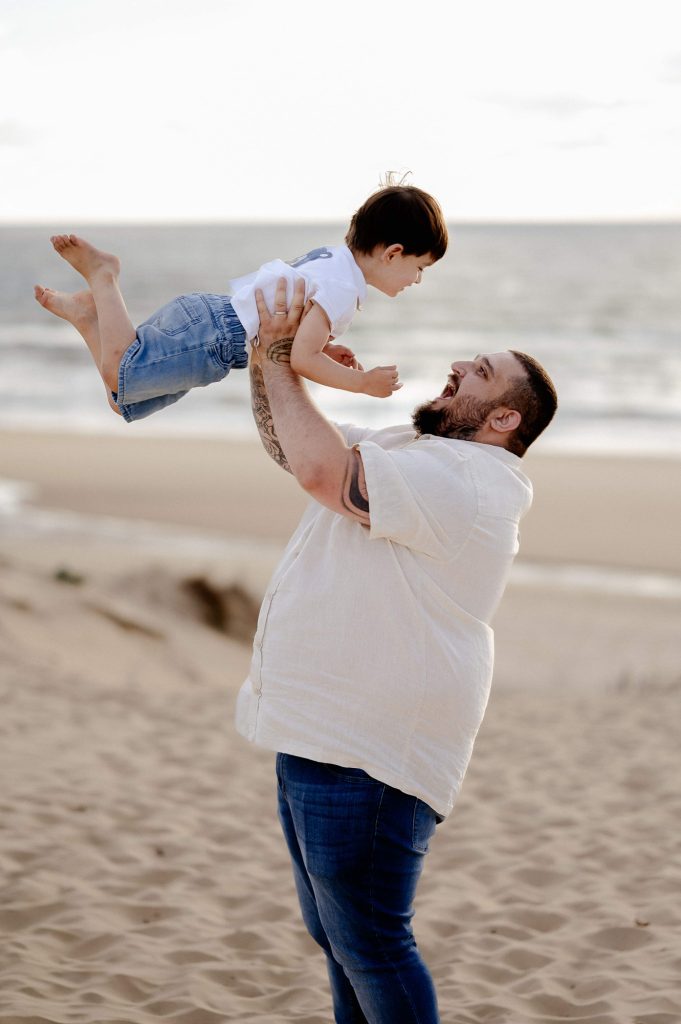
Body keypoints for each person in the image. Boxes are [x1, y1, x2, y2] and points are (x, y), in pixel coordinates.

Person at [238, 278, 558, 1024]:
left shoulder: (472, 483)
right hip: (318, 730)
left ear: (504, 418)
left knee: (372, 943)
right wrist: (267, 359)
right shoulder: (414, 450)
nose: (458, 366)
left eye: (479, 372)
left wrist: (284, 359)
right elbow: (294, 448)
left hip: (370, 752)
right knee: (338, 938)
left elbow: (324, 475)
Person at [33, 183, 448, 421]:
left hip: (209, 321)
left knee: (122, 401)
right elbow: (300, 359)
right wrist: (362, 383)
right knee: (119, 372)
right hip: (213, 338)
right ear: (393, 253)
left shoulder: (332, 260)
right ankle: (104, 276)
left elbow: (288, 331)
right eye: (420, 267)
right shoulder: (344, 290)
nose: (417, 280)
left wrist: (323, 349)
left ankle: (89, 318)